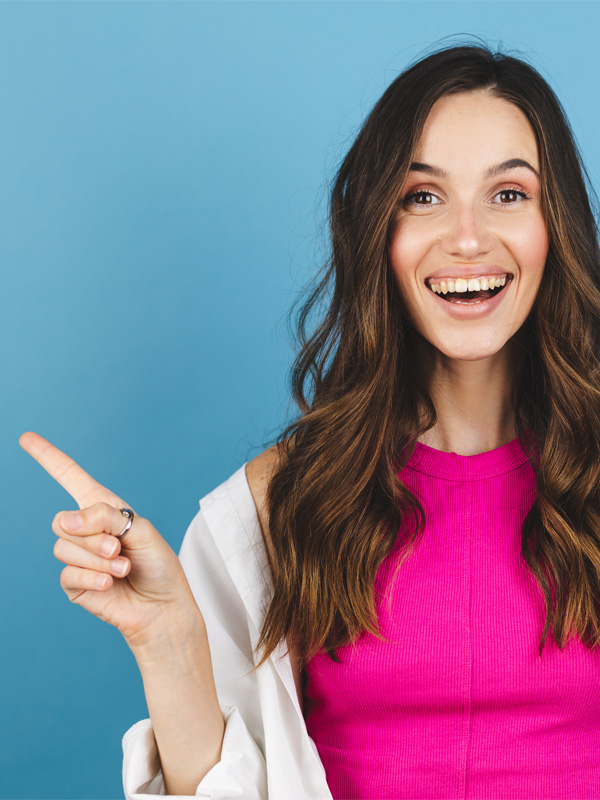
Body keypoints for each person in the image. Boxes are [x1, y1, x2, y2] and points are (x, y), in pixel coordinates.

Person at [19, 38, 600, 800]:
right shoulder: (277, 506)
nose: (467, 237)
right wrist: (168, 638)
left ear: (555, 225)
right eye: (421, 197)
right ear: (377, 236)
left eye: (509, 194)